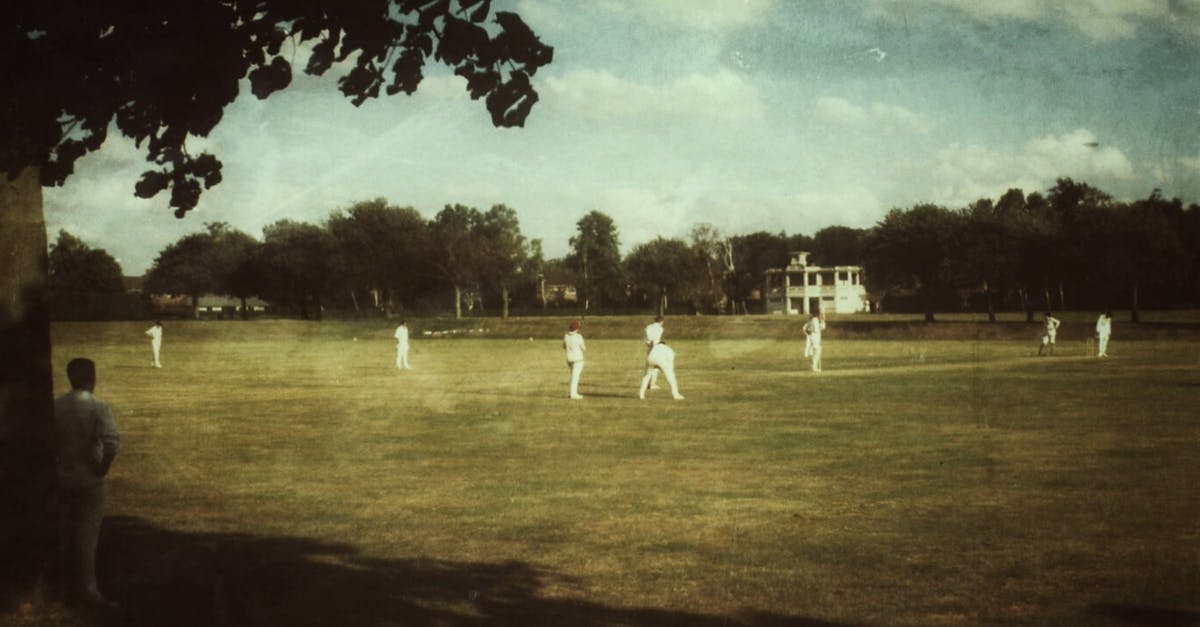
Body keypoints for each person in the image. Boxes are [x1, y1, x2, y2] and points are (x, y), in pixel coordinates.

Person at [53, 358, 120, 606]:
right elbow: (111, 443)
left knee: (63, 532)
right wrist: (102, 467)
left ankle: (59, 586)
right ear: (93, 377)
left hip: (62, 475)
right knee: (87, 536)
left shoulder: (57, 405)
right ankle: (88, 590)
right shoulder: (98, 407)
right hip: (89, 478)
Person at [563, 320, 585, 399]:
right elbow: (584, 348)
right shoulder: (579, 337)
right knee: (575, 377)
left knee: (572, 376)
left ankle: (571, 392)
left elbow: (564, 347)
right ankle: (573, 394)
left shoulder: (566, 336)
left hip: (569, 359)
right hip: (578, 359)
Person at [643, 315, 665, 389]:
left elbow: (647, 337)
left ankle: (647, 383)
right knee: (655, 367)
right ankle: (652, 384)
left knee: (649, 366)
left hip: (649, 347)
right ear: (661, 321)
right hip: (655, 347)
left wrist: (649, 343)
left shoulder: (648, 327)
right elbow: (655, 339)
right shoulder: (660, 328)